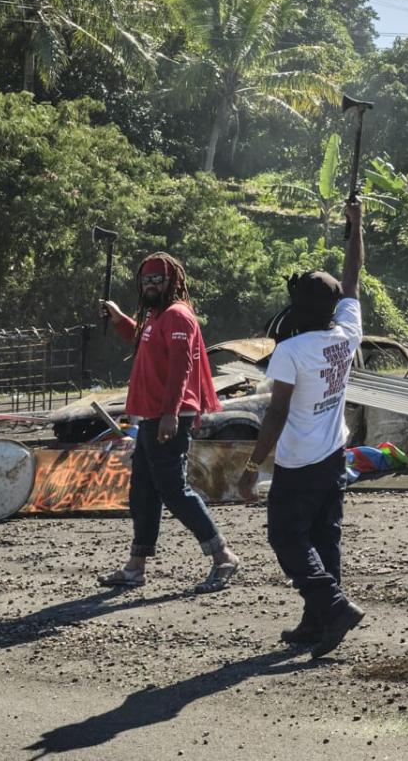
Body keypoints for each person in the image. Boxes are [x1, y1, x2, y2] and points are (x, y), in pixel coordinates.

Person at [239, 201, 365, 659]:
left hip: (298, 461)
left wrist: (253, 468)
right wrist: (357, 226)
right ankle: (317, 623)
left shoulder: (291, 352)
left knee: (287, 538)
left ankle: (333, 607)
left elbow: (275, 416)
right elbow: (353, 279)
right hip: (334, 455)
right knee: (323, 536)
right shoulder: (345, 334)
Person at [99, 253, 242, 593]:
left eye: (156, 280)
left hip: (167, 416)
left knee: (175, 491)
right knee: (144, 492)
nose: (150, 285)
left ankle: (223, 557)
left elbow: (181, 369)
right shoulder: (154, 316)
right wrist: (119, 319)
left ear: (172, 282)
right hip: (152, 416)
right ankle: (136, 566)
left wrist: (170, 414)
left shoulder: (178, 316)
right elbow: (144, 344)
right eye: (146, 280)